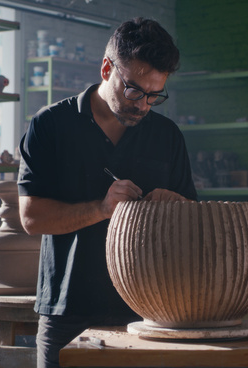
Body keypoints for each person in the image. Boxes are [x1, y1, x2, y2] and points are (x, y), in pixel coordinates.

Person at [17, 17, 198, 368]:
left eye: (153, 95)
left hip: (150, 314)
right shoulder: (50, 125)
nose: (142, 105)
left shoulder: (167, 135)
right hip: (68, 313)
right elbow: (31, 217)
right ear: (106, 68)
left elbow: (192, 216)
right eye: (133, 90)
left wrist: (176, 207)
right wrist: (101, 208)